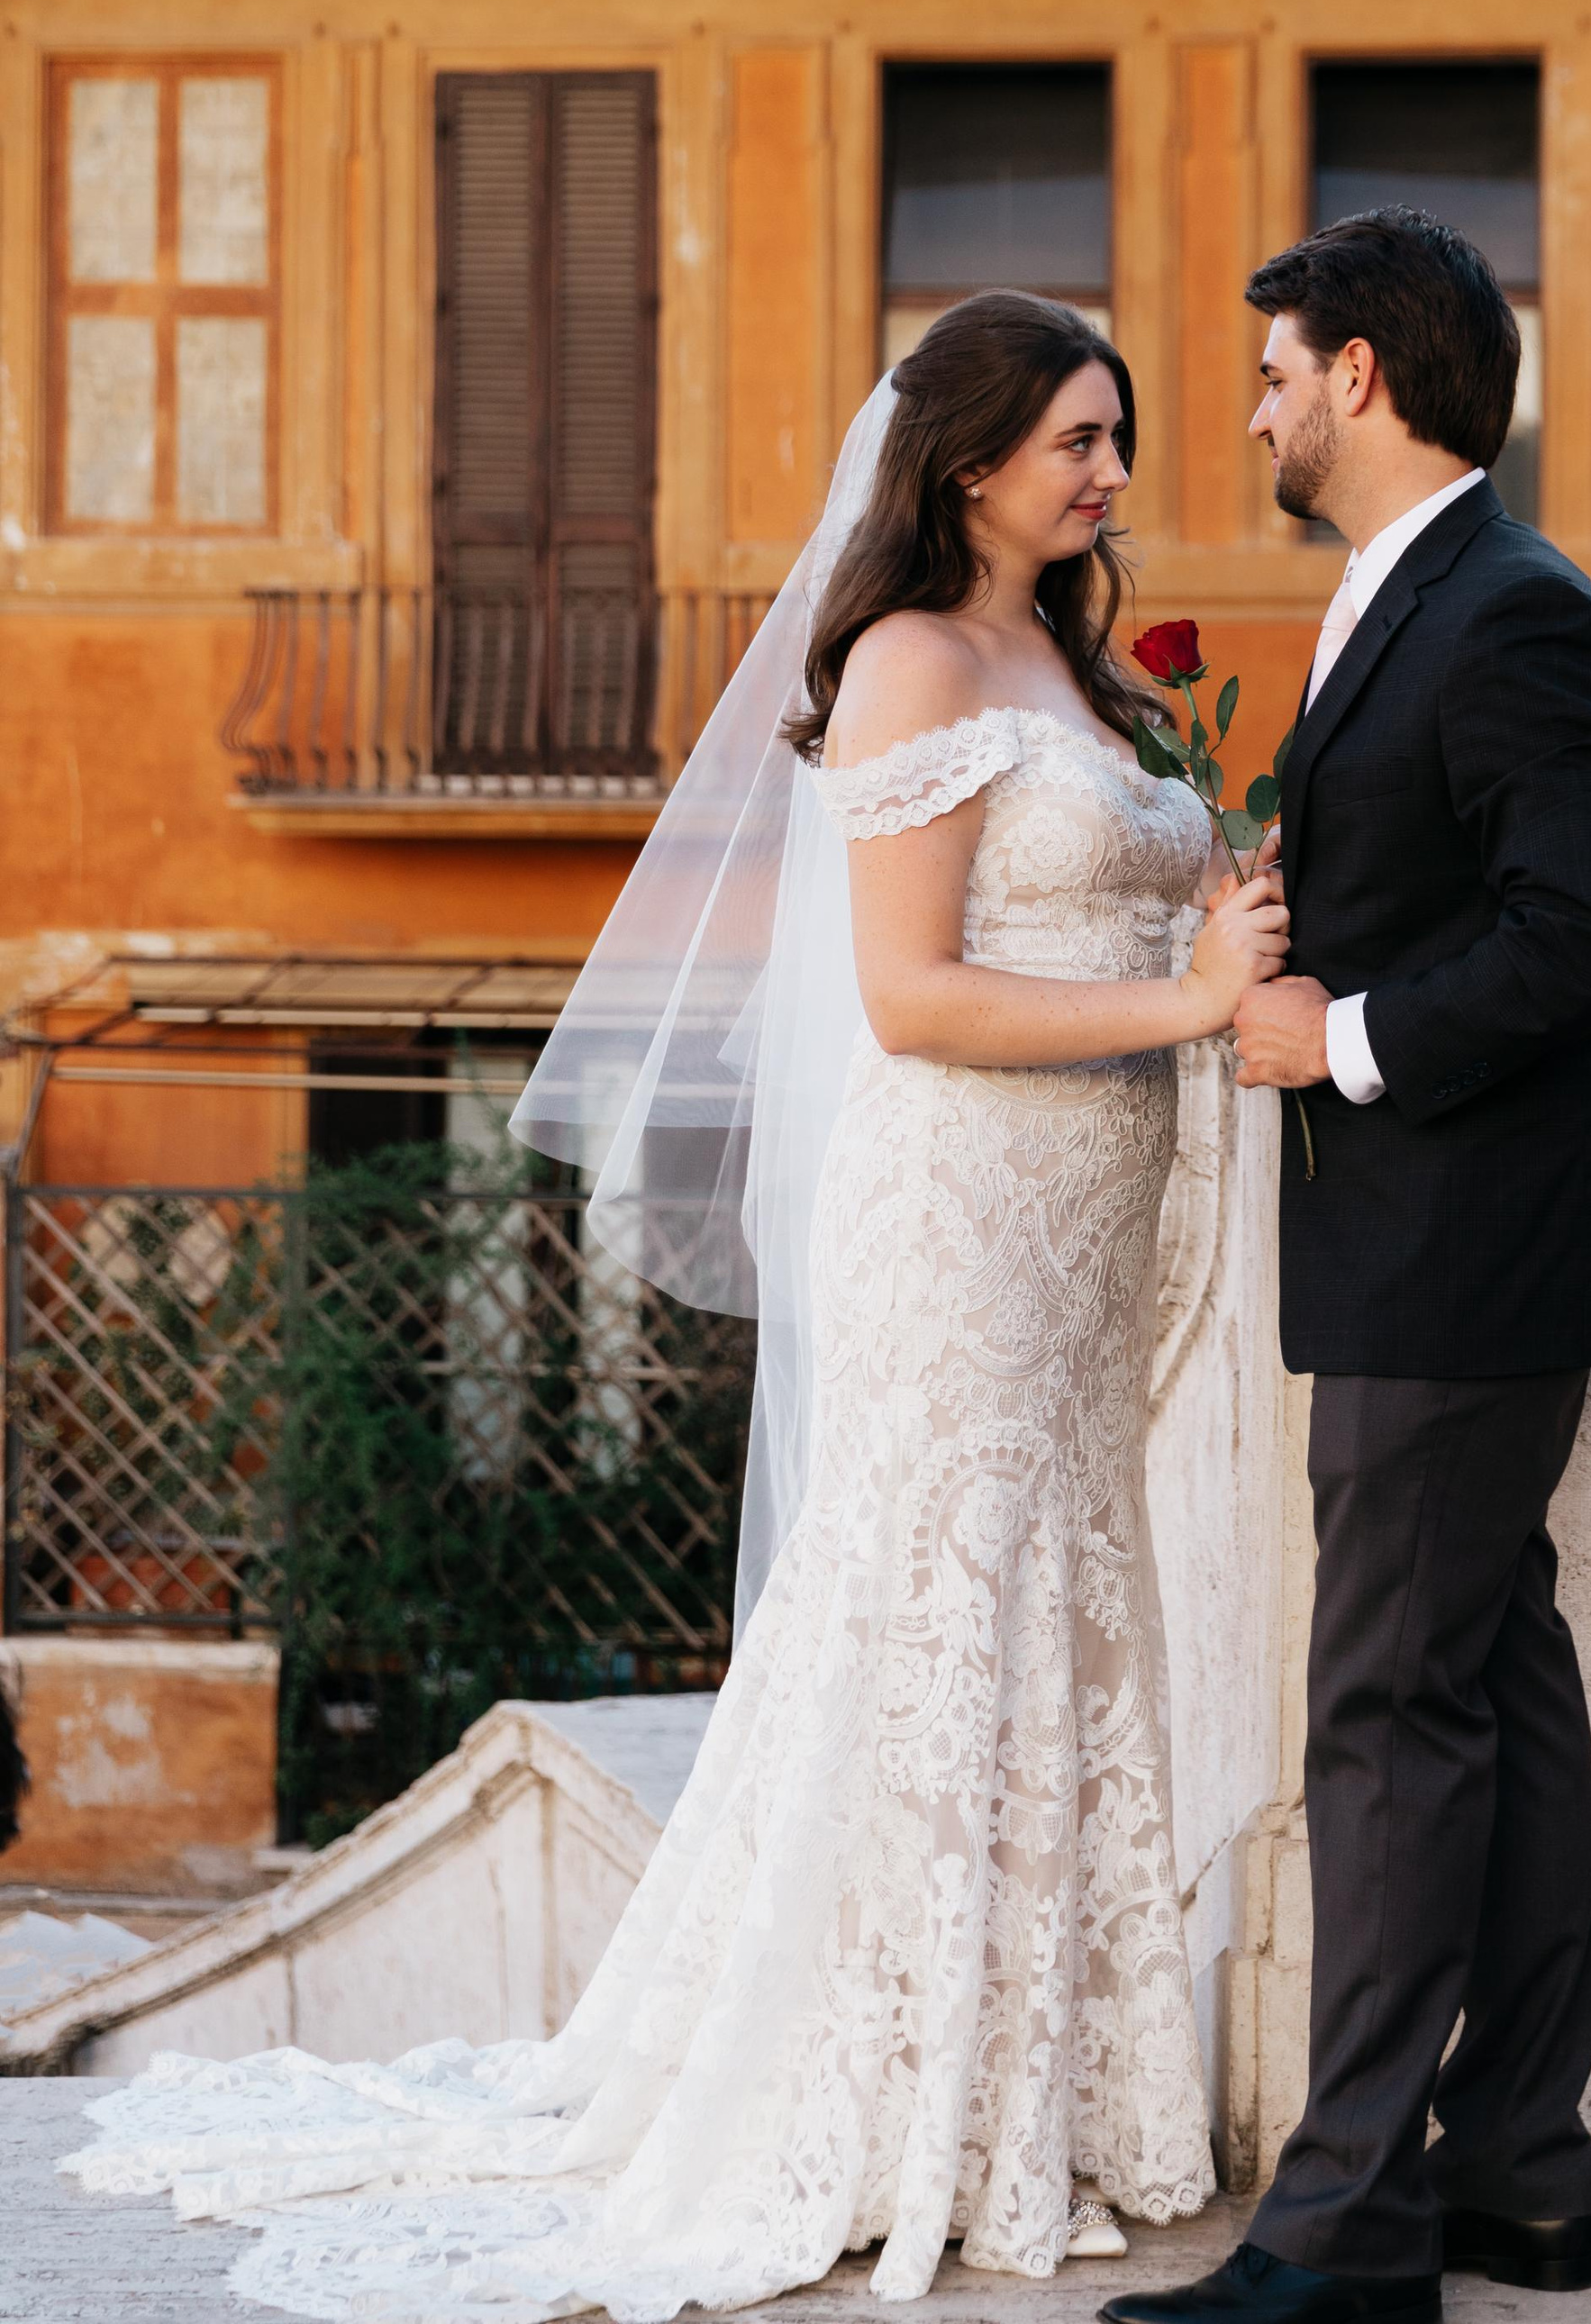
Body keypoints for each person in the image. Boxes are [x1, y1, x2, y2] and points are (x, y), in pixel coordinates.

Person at [63, 291, 1287, 2322]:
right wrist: (1183, 993)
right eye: (1076, 438)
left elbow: (1083, 899)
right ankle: (890, 2098)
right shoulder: (904, 657)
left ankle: (1024, 2089)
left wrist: (1225, 900)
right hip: (960, 1212)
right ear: (967, 462)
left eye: (1117, 438)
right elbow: (908, 1000)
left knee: (1051, 1602)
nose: (1110, 473)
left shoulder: (1066, 665)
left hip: (1078, 1229)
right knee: (929, 1616)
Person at [1103, 210, 1591, 2324]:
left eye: (1271, 373)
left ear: (1361, 377)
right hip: (1446, 1257)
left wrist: (1320, 1035)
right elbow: (1458, 873)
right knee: (1487, 1684)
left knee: (1385, 1712)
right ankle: (1517, 2172)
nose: (1248, 407)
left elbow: (1575, 937)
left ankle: (1341, 2235)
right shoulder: (1408, 599)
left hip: (1462, 1259)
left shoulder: (1516, 613)